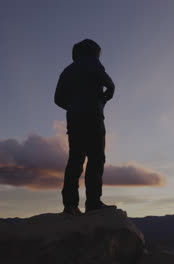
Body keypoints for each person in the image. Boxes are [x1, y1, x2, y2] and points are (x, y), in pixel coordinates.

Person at [54, 39, 115, 215]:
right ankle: (93, 204)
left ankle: (70, 205)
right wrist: (102, 101)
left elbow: (58, 98)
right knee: (96, 159)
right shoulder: (94, 64)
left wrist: (73, 107)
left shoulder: (67, 70)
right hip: (93, 117)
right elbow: (110, 86)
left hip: (74, 120)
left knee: (75, 159)